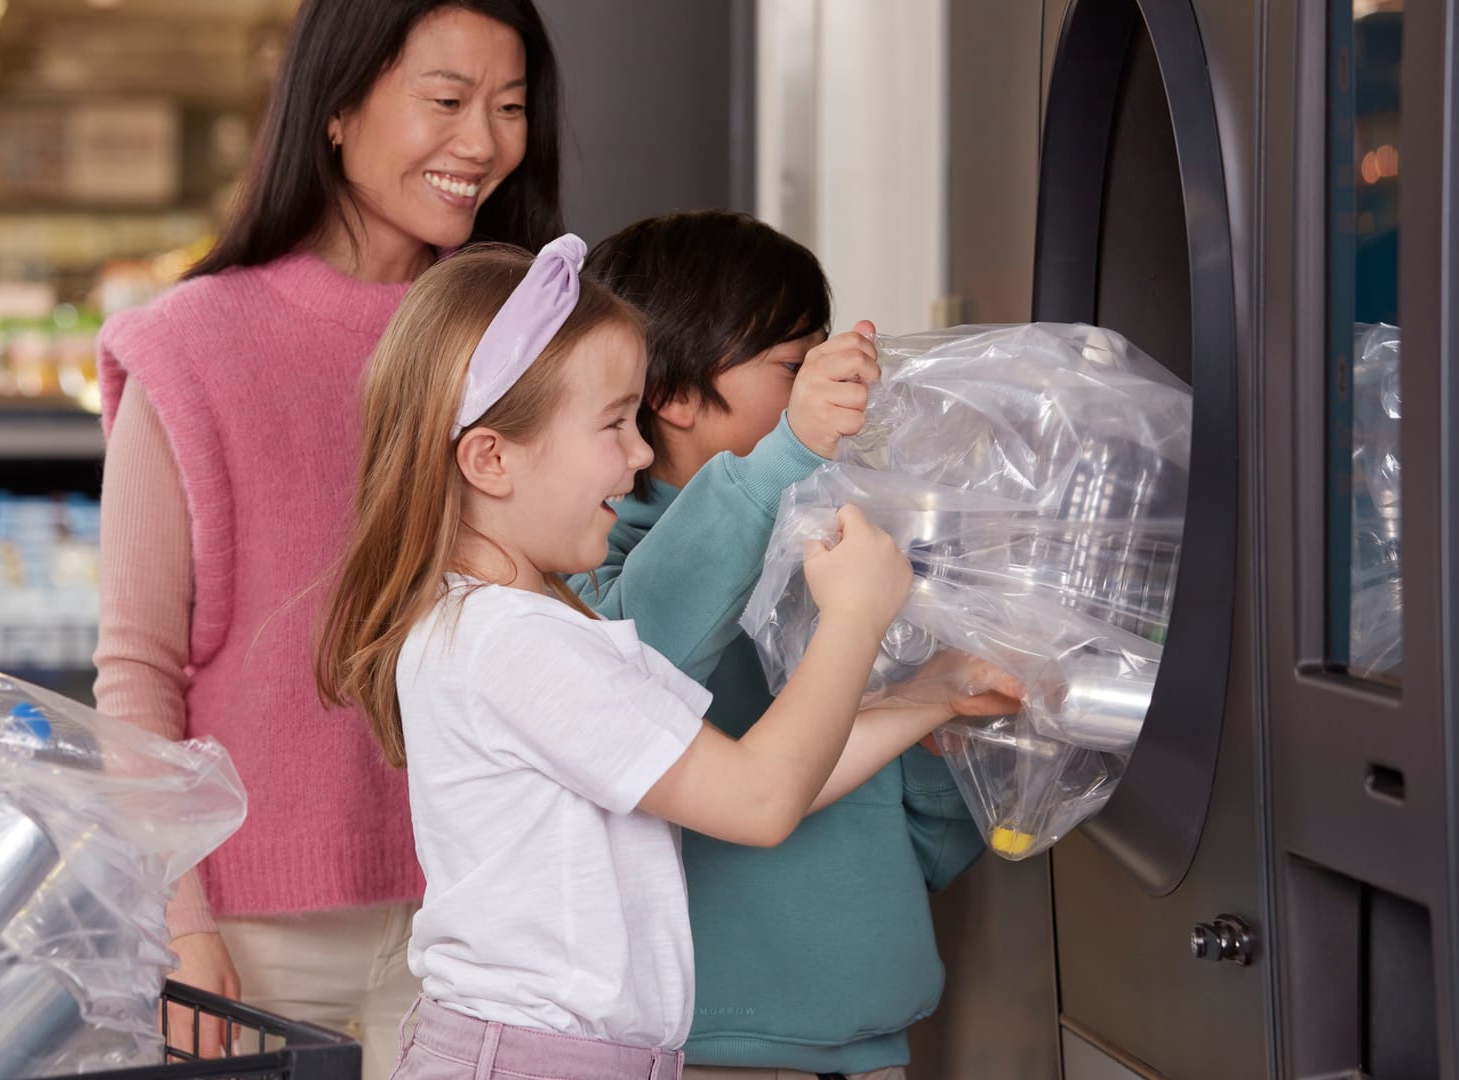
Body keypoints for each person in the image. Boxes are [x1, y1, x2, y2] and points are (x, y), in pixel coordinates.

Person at [316, 237, 1018, 1080]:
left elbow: (748, 777)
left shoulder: (526, 625)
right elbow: (762, 799)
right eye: (613, 423)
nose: (640, 453)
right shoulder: (513, 642)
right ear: (490, 458)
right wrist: (855, 619)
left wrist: (931, 697)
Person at [91, 1, 565, 1073]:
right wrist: (182, 927)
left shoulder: (532, 344)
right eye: (445, 100)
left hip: (487, 916)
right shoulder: (190, 346)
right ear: (338, 108)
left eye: (510, 107)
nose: (483, 143)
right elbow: (136, 673)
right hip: (251, 942)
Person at [579, 210, 995, 1080]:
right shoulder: (597, 561)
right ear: (674, 394)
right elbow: (639, 666)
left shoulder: (836, 549)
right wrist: (786, 456)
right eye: (792, 366)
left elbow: (923, 792)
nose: (832, 391)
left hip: (871, 1038)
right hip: (696, 1053)